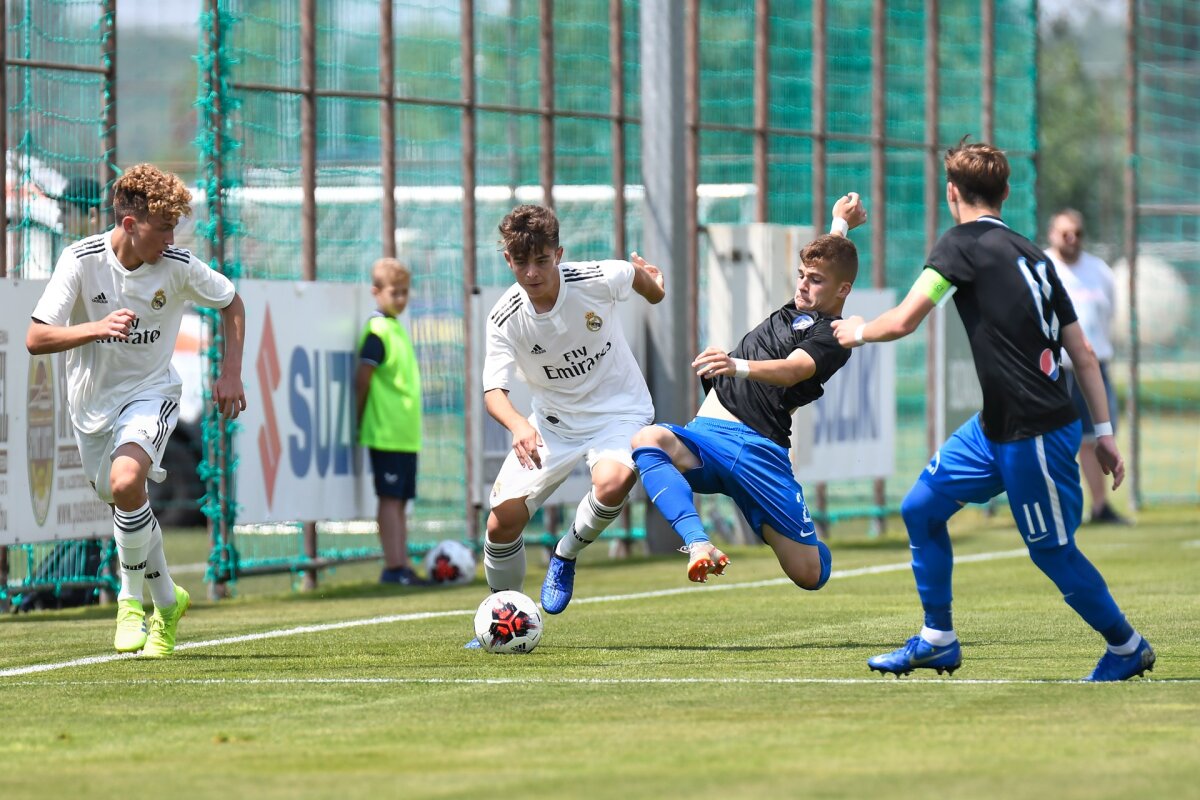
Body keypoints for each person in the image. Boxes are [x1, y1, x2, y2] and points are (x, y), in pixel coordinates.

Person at [832, 140, 1154, 682]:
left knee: (1052, 552)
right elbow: (1086, 354)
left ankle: (1127, 646)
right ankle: (938, 638)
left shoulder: (960, 245)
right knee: (920, 509)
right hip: (996, 427)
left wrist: (857, 330)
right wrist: (1105, 431)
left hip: (1034, 429)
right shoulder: (1036, 256)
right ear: (1005, 193)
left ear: (951, 192)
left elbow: (905, 320)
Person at [26, 163, 247, 658]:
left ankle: (130, 603)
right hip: (91, 409)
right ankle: (167, 600)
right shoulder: (81, 260)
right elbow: (36, 337)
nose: (172, 237)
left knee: (128, 482)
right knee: (124, 498)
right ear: (130, 225)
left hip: (152, 393)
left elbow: (233, 303)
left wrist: (231, 371)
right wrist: (96, 327)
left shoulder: (178, 265)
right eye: (163, 227)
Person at [629, 194, 866, 590]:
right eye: (801, 275)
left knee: (809, 575)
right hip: (708, 434)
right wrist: (838, 222)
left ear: (843, 290)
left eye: (816, 280)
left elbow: (793, 370)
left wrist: (736, 365)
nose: (804, 285)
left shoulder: (833, 335)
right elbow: (827, 260)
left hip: (760, 452)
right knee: (648, 439)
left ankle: (805, 538)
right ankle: (698, 543)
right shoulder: (801, 305)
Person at [475, 203, 665, 640]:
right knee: (501, 523)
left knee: (614, 482)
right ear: (508, 260)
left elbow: (647, 286)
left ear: (558, 254)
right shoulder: (504, 318)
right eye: (521, 262)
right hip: (553, 424)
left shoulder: (598, 278)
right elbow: (493, 394)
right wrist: (520, 426)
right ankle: (503, 621)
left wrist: (653, 283)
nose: (532, 272)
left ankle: (565, 554)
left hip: (620, 411)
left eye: (541, 260)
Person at [1045, 208, 1129, 525]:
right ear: (1052, 234)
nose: (1072, 239)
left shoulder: (1099, 270)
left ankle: (1099, 506)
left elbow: (1109, 315)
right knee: (1058, 440)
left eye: (1077, 233)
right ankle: (1058, 509)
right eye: (1065, 233)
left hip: (1093, 367)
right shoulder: (1043, 266)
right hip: (1056, 369)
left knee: (1096, 437)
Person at [355, 257, 425, 585]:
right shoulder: (377, 330)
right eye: (394, 292)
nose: (401, 299)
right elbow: (363, 378)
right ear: (376, 292)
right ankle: (393, 566)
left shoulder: (397, 327)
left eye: (405, 292)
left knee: (401, 501)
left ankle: (403, 564)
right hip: (385, 431)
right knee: (389, 498)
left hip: (405, 433)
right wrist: (358, 417)